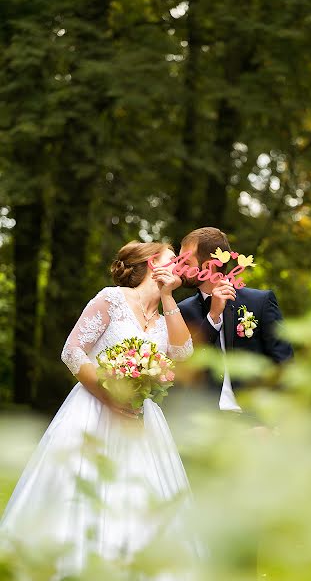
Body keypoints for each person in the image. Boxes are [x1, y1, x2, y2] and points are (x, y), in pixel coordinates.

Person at [0, 240, 197, 579]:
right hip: (93, 410)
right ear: (153, 263)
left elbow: (181, 356)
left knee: (140, 493)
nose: (181, 264)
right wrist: (110, 395)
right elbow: (73, 352)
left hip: (142, 421)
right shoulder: (111, 299)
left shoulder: (170, 312)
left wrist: (168, 297)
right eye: (173, 258)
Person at [177, 227, 294, 426]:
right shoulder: (182, 311)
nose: (177, 268)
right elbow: (186, 367)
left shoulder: (260, 302)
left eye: (185, 262)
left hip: (253, 423)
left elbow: (283, 364)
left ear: (208, 266)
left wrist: (270, 425)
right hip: (204, 426)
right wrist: (213, 316)